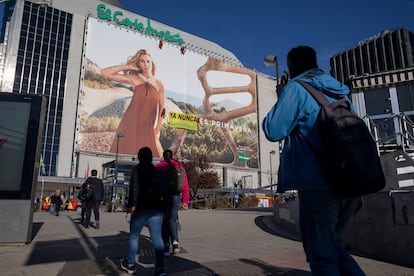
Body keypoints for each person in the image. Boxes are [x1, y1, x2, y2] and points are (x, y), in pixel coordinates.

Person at [262, 46, 365, 275]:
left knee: (322, 257)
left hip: (317, 185)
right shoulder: (340, 93)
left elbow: (273, 130)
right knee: (333, 248)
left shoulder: (295, 89)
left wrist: (281, 97)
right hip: (349, 183)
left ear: (291, 67)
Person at [101, 49, 165, 158]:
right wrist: (128, 67)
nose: (146, 64)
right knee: (126, 153)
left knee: (154, 158)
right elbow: (104, 72)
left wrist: (158, 127)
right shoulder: (133, 79)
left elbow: (162, 109)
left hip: (148, 126)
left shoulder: (159, 84)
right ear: (138, 64)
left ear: (152, 63)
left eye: (148, 61)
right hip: (130, 122)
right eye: (142, 61)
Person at [121, 147, 168, 276]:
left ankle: (130, 265)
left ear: (139, 157)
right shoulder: (157, 171)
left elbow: (134, 188)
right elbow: (163, 190)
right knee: (157, 238)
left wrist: (131, 205)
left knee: (134, 236)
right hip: (156, 209)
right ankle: (159, 268)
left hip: (141, 208)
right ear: (151, 157)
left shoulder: (137, 170)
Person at [155, 149, 189, 256]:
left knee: (164, 220)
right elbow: (185, 185)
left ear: (164, 156)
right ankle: (175, 243)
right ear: (172, 156)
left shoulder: (158, 166)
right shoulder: (179, 166)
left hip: (163, 196)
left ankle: (165, 247)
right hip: (175, 196)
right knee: (172, 219)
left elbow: (154, 183)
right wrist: (185, 200)